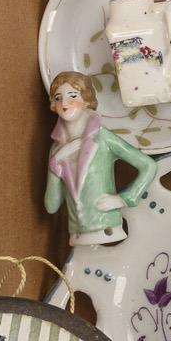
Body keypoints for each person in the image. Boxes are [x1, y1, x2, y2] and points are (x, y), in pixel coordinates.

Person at [43, 72, 157, 247]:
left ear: (86, 100)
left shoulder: (102, 138)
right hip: (77, 234)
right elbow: (51, 206)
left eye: (72, 96)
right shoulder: (56, 149)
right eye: (58, 98)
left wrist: (124, 199)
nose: (64, 103)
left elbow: (148, 165)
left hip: (108, 228)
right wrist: (55, 162)